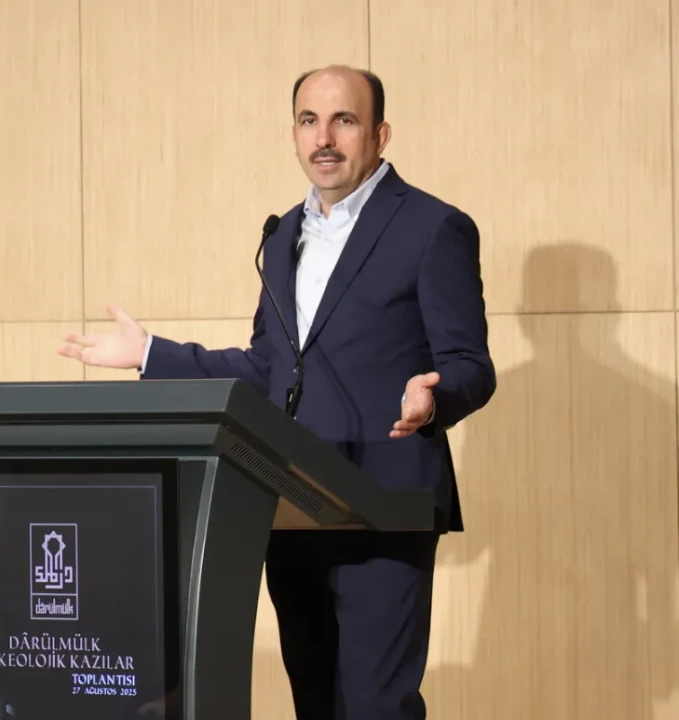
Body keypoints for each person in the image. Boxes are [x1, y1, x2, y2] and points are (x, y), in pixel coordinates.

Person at [57, 65, 496, 719]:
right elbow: (269, 369)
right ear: (294, 134)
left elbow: (470, 365)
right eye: (308, 121)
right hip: (293, 504)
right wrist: (150, 354)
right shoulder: (283, 234)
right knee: (314, 703)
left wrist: (434, 399)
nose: (324, 138)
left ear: (380, 134)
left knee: (375, 707)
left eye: (344, 120)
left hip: (385, 505)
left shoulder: (433, 228)